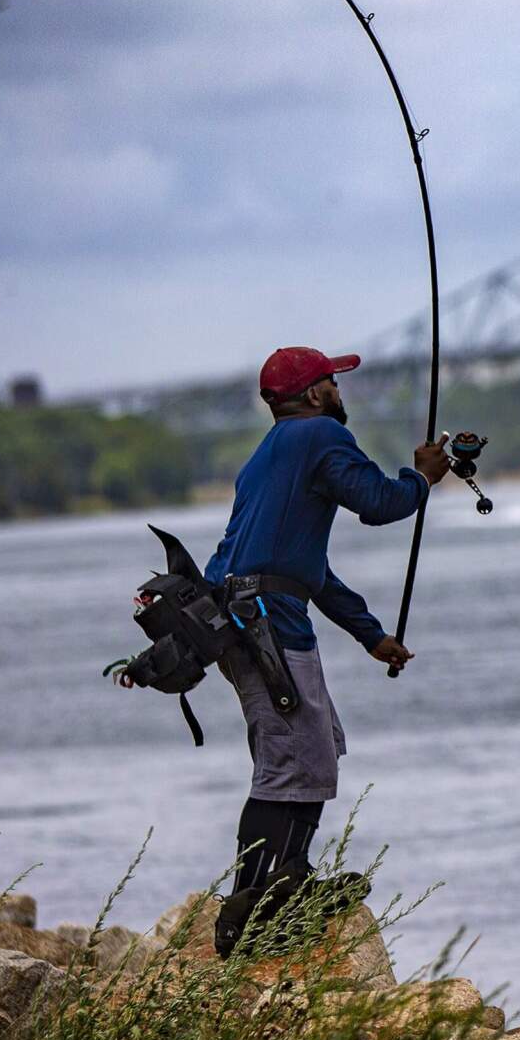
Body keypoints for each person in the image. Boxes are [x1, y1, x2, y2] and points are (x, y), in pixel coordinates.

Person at [200, 344, 450, 955]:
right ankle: (251, 910)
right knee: (289, 765)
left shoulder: (265, 458)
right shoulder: (319, 438)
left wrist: (371, 635)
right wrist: (422, 477)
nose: (341, 391)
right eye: (333, 382)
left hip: (243, 621)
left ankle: (289, 881)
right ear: (313, 395)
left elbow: (309, 570)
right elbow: (379, 503)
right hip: (269, 626)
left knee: (314, 752)